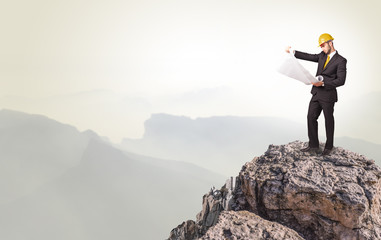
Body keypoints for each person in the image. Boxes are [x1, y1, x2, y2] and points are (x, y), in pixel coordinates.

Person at [285, 33, 347, 155]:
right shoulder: (322, 56)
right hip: (316, 93)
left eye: (323, 46)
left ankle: (329, 147)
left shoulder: (341, 61)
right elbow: (309, 56)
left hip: (328, 95)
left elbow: (341, 80)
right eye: (321, 46)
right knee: (311, 117)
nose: (322, 48)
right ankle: (313, 145)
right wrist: (293, 51)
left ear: (330, 43)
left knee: (328, 120)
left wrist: (323, 83)